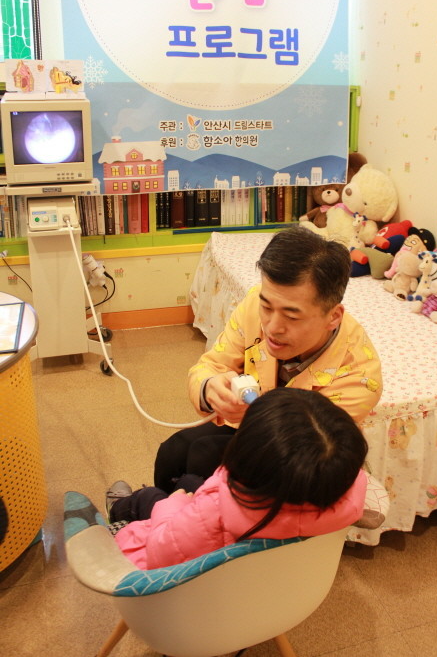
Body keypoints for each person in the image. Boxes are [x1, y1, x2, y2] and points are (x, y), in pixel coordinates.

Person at [153, 226, 382, 493]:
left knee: (203, 459)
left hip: (295, 456)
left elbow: (300, 452)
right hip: (252, 425)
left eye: (292, 316)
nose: (272, 327)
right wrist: (208, 388)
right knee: (172, 452)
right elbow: (211, 365)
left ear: (333, 317)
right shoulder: (254, 304)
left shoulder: (360, 376)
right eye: (267, 307)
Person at [107, 388, 369, 570]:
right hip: (274, 589)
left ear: (243, 453)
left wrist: (171, 505)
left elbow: (160, 552)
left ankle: (119, 510)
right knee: (189, 483)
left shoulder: (211, 516)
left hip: (187, 595)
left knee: (152, 498)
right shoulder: (348, 492)